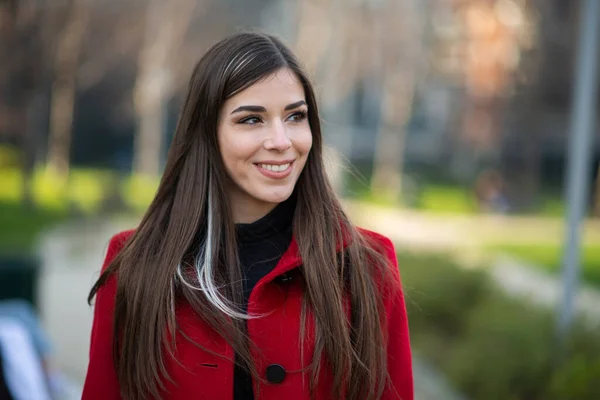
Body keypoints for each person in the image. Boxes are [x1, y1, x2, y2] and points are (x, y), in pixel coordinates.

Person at [82, 32, 413, 400]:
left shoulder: (367, 264)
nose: (281, 140)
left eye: (295, 116)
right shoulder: (137, 263)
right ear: (207, 133)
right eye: (252, 120)